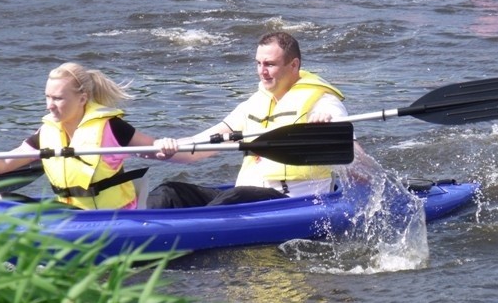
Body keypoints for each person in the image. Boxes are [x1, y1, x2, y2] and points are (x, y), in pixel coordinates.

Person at [148, 32, 359, 208]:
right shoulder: (254, 103)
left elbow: (359, 163)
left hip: (290, 202)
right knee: (168, 193)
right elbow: (201, 145)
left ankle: (188, 235)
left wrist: (329, 135)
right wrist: (164, 149)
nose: (261, 72)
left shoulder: (323, 104)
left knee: (234, 198)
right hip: (246, 197)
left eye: (269, 64)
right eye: (258, 63)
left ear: (293, 65)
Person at [0, 63, 168, 210]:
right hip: (73, 216)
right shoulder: (46, 133)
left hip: (114, 218)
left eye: (58, 98)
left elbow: (158, 151)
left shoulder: (111, 128)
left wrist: (167, 147)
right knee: (0, 200)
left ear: (82, 98)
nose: (50, 105)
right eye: (47, 97)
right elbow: (3, 164)